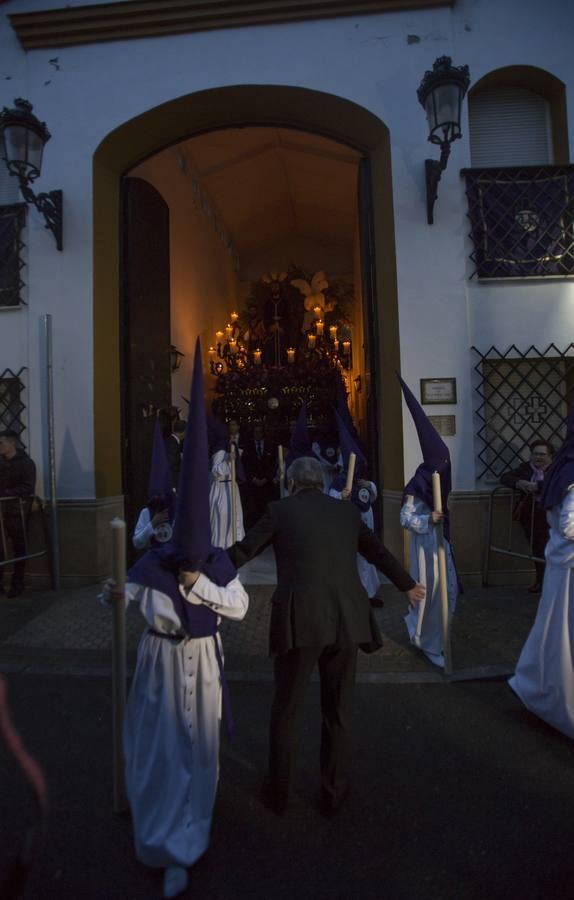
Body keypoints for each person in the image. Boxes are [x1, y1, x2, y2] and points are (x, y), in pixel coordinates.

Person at [105, 339, 249, 899]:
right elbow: (128, 601)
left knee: (201, 749)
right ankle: (163, 836)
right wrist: (114, 596)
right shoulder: (149, 565)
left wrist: (202, 588)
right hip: (161, 663)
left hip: (203, 665)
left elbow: (237, 606)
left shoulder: (214, 564)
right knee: (164, 748)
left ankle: (195, 829)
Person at [227, 455, 424, 816]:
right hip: (346, 621)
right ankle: (334, 791)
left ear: (292, 483)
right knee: (338, 709)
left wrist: (194, 570)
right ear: (322, 481)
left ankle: (280, 793)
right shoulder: (347, 513)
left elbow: (242, 552)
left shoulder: (280, 511)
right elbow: (378, 552)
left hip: (299, 620)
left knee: (287, 708)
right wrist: (407, 584)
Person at [509, 407, 574, 739]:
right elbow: (569, 526)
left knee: (553, 633)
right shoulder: (570, 473)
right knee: (561, 637)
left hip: (562, 571)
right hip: (568, 571)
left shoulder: (560, 470)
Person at [398, 375, 458, 668]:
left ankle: (440, 638)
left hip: (441, 544)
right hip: (425, 548)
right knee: (430, 594)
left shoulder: (442, 478)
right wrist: (428, 519)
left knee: (448, 591)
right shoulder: (417, 484)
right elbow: (405, 517)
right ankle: (425, 638)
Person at [328, 409, 384, 608]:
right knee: (355, 561)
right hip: (350, 526)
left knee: (368, 560)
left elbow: (372, 496)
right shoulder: (339, 482)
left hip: (366, 523)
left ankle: (369, 593)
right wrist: (341, 496)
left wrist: (370, 487)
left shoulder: (364, 481)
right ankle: (355, 595)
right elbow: (332, 500)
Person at [500, 439, 555, 592]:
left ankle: (555, 583)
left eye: (542, 454)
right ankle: (541, 580)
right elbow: (505, 477)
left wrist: (538, 486)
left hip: (551, 513)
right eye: (535, 454)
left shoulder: (556, 470)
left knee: (553, 548)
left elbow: (559, 484)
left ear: (550, 456)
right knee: (537, 548)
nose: (538, 457)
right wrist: (520, 483)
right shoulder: (525, 468)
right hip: (531, 513)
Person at [0, 431, 36, 598]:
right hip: (2, 511)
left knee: (19, 547)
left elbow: (27, 487)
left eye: (1, 443)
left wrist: (6, 493)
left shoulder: (26, 463)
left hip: (17, 512)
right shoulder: (1, 463)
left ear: (11, 444)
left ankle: (18, 583)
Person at [132, 419, 175, 551]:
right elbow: (137, 543)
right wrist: (153, 523)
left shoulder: (176, 511)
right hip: (153, 558)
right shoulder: (146, 512)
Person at [208, 416, 245, 548]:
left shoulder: (231, 448)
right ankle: (221, 549)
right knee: (222, 521)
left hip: (231, 487)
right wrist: (228, 460)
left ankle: (234, 547)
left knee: (235, 519)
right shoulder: (219, 451)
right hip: (222, 489)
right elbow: (216, 471)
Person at [241, 422, 278, 527]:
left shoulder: (271, 446)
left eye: (259, 432)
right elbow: (245, 465)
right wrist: (253, 478)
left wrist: (266, 478)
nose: (257, 434)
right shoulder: (248, 447)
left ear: (263, 433)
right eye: (255, 432)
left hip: (267, 485)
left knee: (267, 511)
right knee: (253, 512)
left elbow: (274, 465)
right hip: (253, 486)